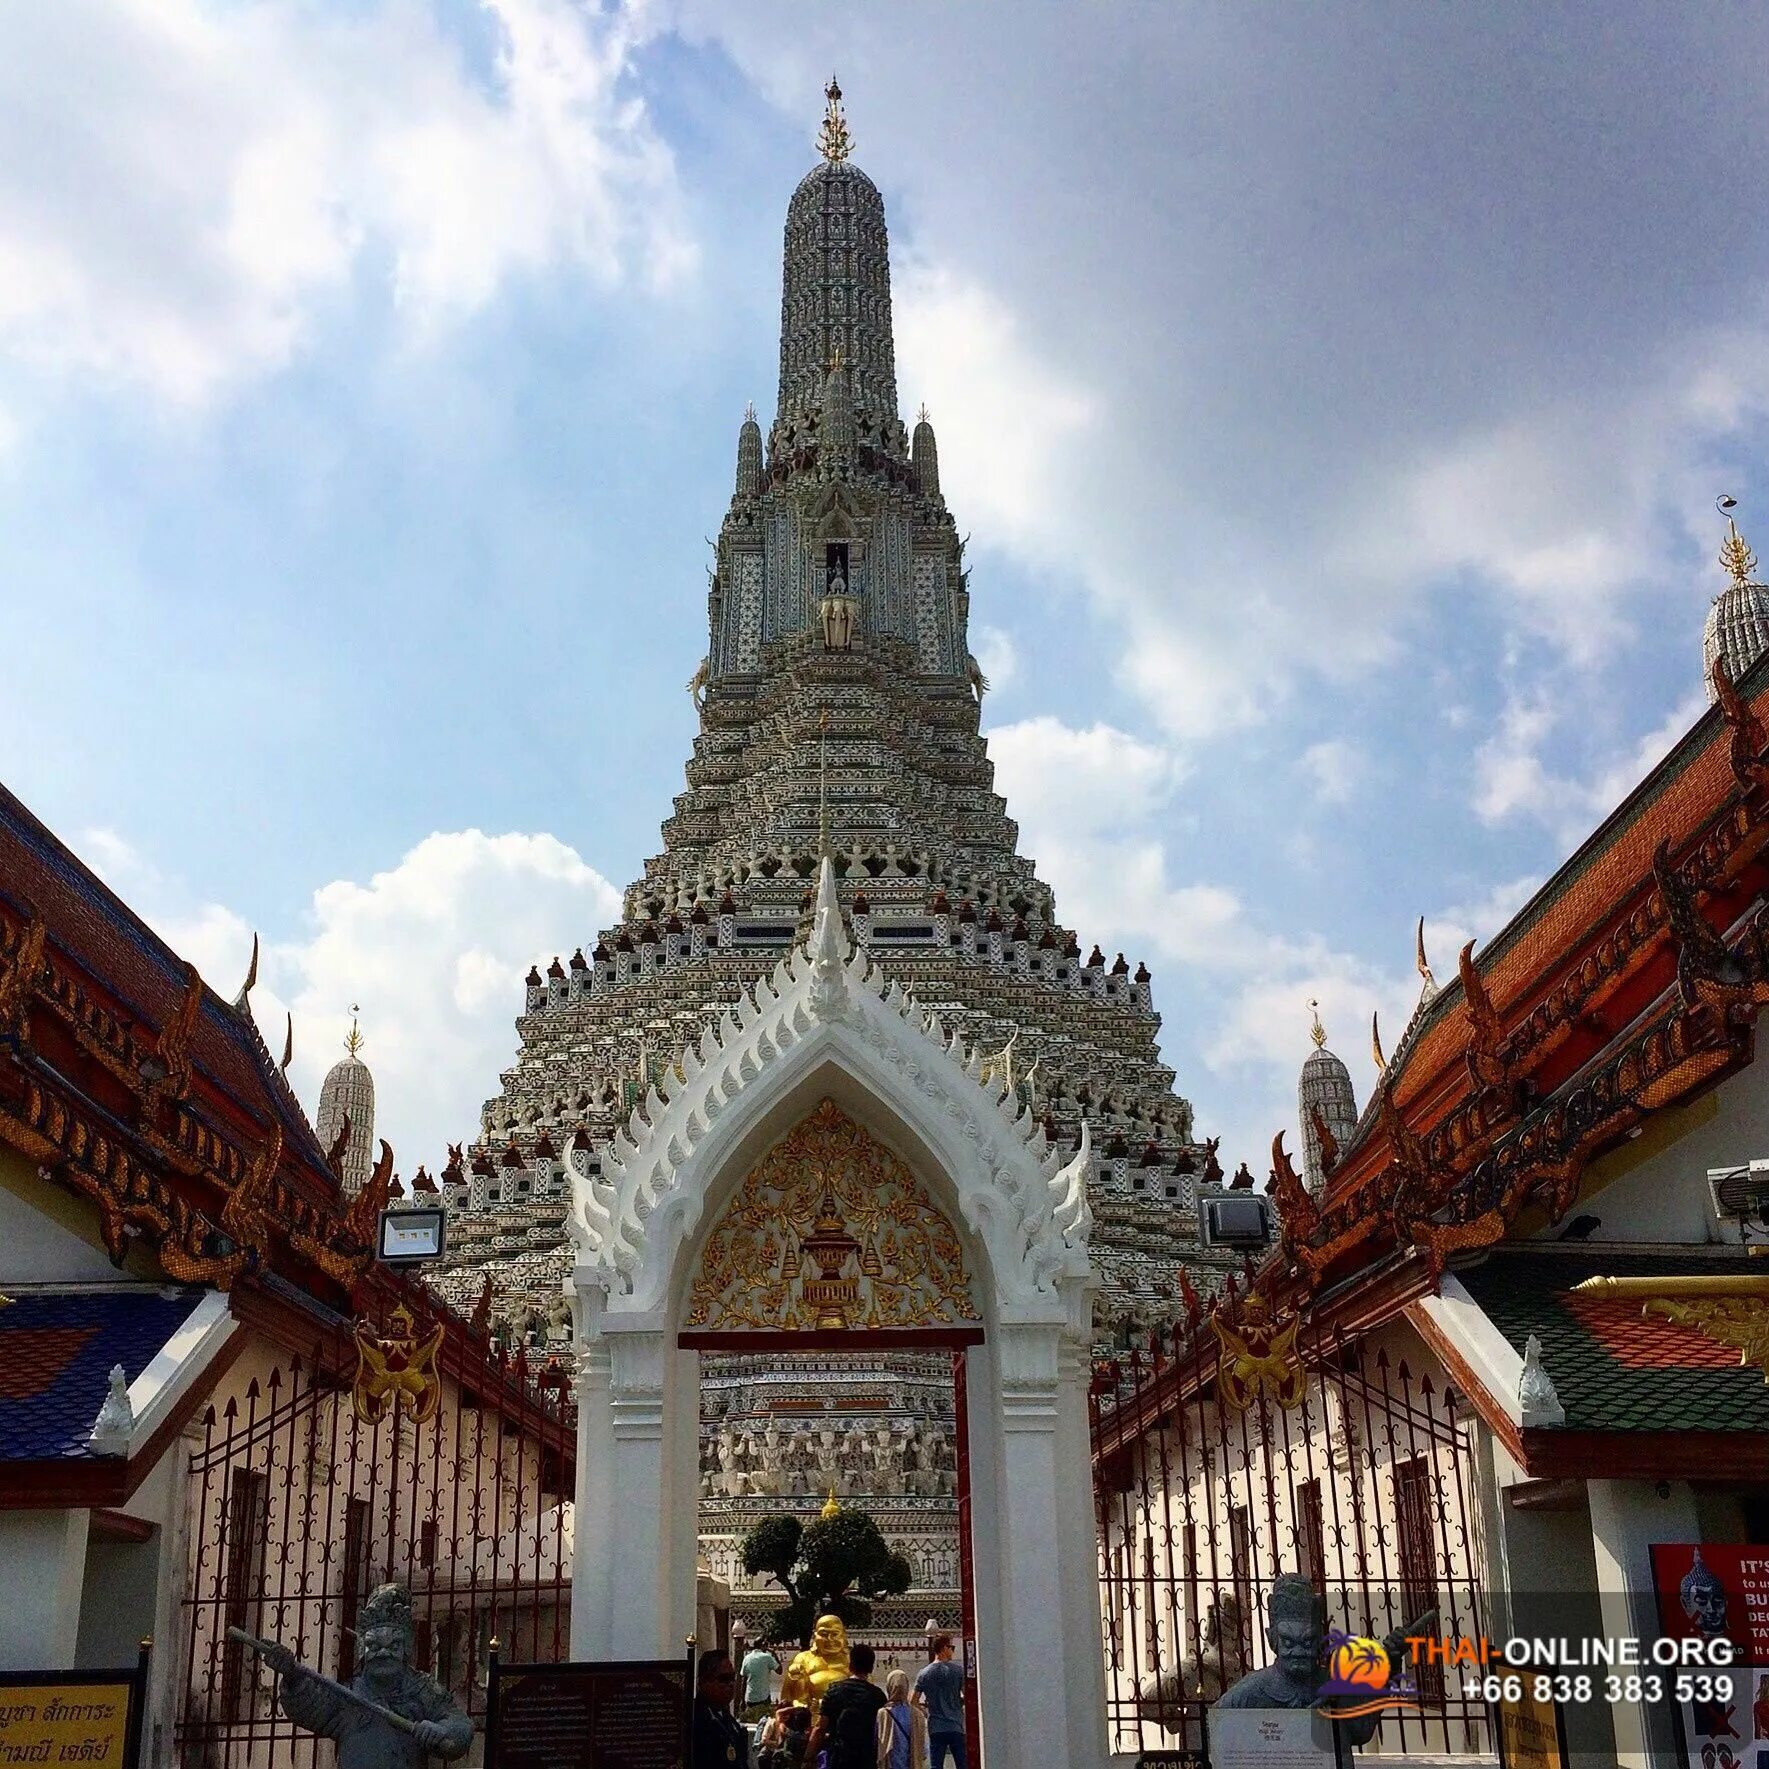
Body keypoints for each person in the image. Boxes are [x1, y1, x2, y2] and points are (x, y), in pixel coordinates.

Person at [260, 1583, 471, 1769]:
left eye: (393, 1645)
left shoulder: (422, 1689)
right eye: (374, 1645)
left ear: (406, 1647)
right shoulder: (348, 1696)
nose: (383, 1653)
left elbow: (460, 1726)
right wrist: (292, 1676)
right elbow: (310, 1707)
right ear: (362, 1649)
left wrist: (440, 1731)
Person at [808, 1642, 886, 1769]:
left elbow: (820, 1727)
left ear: (850, 1665)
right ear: (871, 1668)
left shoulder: (834, 1691)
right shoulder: (878, 1696)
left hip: (839, 1756)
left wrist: (808, 1757)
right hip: (866, 1758)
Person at [912, 1635, 965, 1769]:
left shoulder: (924, 1673)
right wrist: (959, 1703)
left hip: (936, 1726)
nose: (953, 1651)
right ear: (944, 1648)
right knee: (962, 1763)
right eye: (951, 1647)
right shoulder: (958, 1671)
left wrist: (925, 1712)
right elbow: (967, 1695)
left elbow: (913, 1700)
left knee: (936, 1765)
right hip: (955, 1725)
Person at [692, 1650, 750, 1769]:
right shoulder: (694, 1721)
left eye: (732, 1678)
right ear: (703, 1681)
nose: (730, 1684)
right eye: (724, 1679)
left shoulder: (728, 1719)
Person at [875, 1668, 928, 1769]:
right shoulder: (917, 1715)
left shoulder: (883, 1714)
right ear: (907, 1687)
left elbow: (876, 1744)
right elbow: (924, 1751)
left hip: (889, 1764)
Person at [740, 1642, 779, 1724]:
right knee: (764, 1724)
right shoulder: (767, 1657)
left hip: (750, 1698)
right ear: (763, 1646)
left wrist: (742, 1700)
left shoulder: (747, 1658)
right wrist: (774, 1653)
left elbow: (744, 1680)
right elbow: (780, 1671)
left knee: (751, 1724)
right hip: (763, 1698)